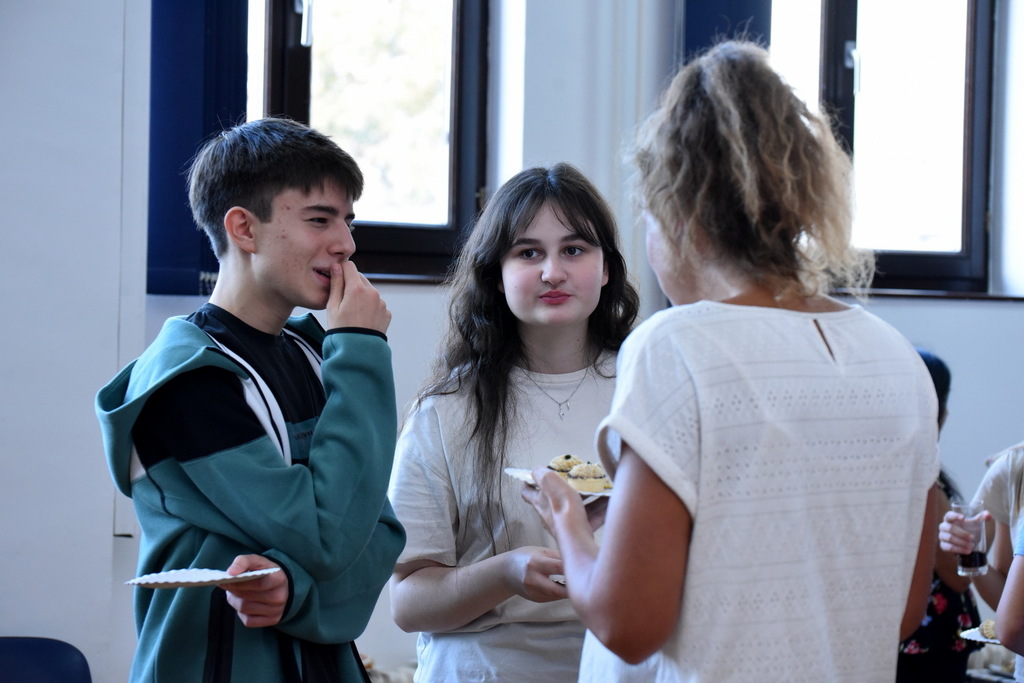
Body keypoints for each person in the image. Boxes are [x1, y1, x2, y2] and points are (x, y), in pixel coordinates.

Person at [521, 40, 939, 682]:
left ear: (679, 216)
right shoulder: (897, 359)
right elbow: (899, 612)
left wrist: (568, 522)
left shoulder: (678, 346)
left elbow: (627, 625)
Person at [95, 117, 405, 682]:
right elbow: (329, 538)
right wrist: (362, 348)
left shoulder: (317, 353)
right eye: (320, 219)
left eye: (348, 221)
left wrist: (295, 589)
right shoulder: (188, 378)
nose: (346, 244)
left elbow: (379, 536)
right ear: (243, 228)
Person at [388, 163, 639, 681]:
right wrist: (505, 573)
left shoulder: (648, 386)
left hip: (623, 663)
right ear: (495, 276)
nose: (553, 272)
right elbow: (409, 603)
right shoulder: (446, 410)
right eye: (529, 253)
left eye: (574, 250)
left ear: (606, 269)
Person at [897, 349, 982, 682]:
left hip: (910, 635)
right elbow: (957, 575)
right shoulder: (920, 470)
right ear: (939, 410)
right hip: (928, 641)